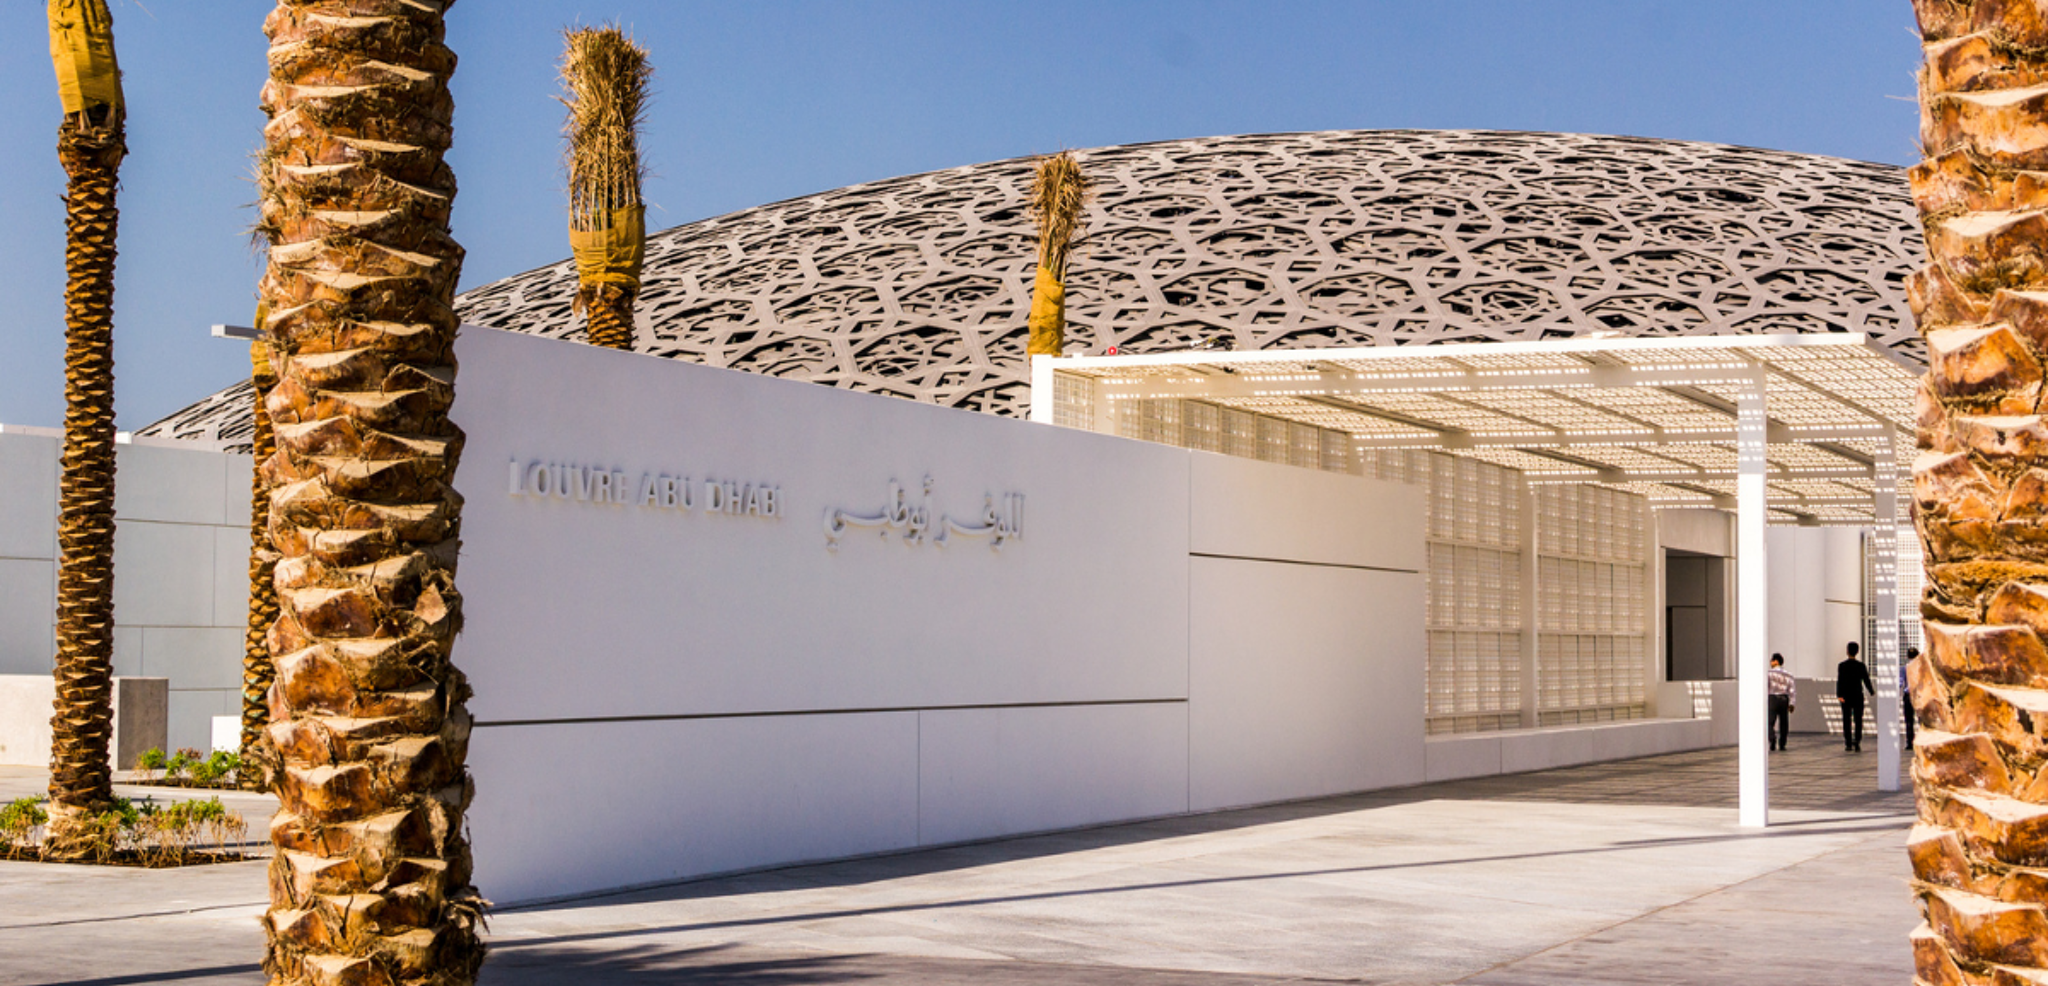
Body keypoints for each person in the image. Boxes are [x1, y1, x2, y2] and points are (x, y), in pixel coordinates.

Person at [1837, 641, 1876, 752]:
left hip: (1846, 696)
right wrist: (1871, 691)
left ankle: (1848, 743)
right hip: (1858, 695)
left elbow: (1840, 681)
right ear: (1857, 651)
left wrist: (1839, 695)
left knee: (1846, 719)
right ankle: (1857, 741)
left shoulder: (1842, 666)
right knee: (1858, 719)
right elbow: (1866, 680)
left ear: (1847, 651)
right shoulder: (1861, 666)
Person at [1767, 654, 1795, 752]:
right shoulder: (1788, 674)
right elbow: (1791, 689)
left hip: (1772, 698)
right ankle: (1782, 743)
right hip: (1784, 698)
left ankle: (1772, 739)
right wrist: (1792, 703)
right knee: (1784, 723)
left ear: (1776, 661)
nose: (1770, 662)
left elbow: (1766, 687)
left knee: (1769, 722)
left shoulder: (1769, 673)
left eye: (1772, 660)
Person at [1903, 646, 1920, 751]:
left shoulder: (1905, 668)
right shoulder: (1922, 667)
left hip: (1908, 695)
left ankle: (1910, 742)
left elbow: (1901, 682)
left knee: (1909, 720)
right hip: (1919, 695)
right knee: (1921, 720)